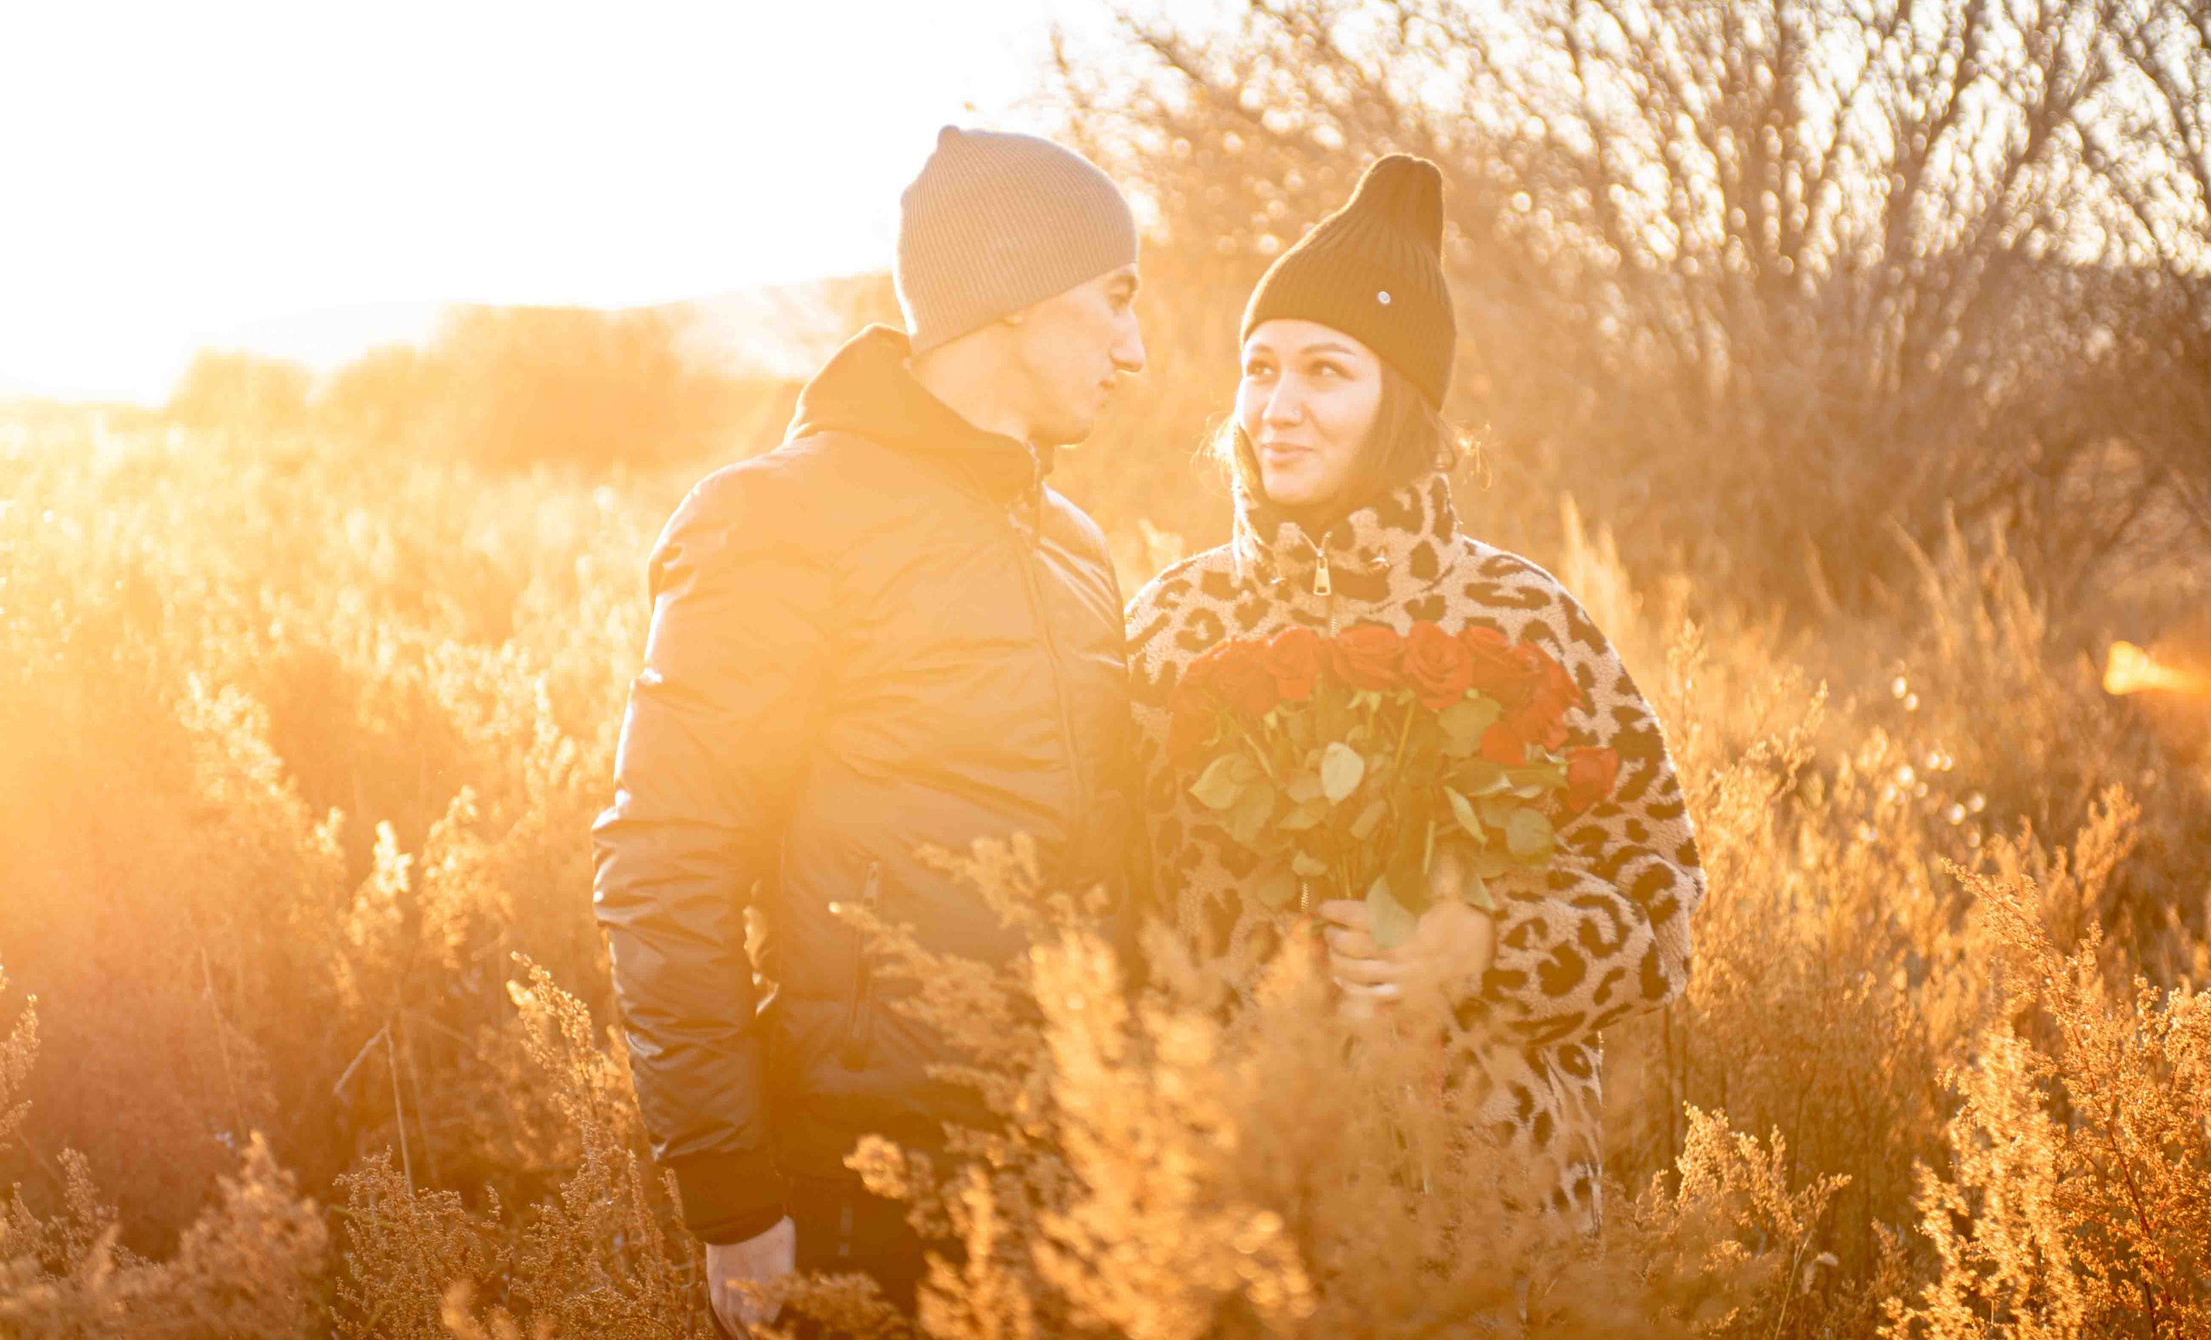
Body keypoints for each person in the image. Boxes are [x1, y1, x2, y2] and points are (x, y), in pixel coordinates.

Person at [593, 126, 1148, 1336]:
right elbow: (666, 863)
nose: (1134, 347)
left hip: (1067, 1168)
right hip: (859, 1187)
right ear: (1013, 293)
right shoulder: (779, 516)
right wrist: (731, 1195)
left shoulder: (1077, 544)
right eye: (1114, 298)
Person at [1122, 153, 1703, 1221]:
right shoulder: (1170, 621)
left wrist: (1486, 945)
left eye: (1325, 371)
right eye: (1259, 367)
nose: (1278, 407)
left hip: (1493, 1198)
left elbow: (1659, 903)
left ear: (1403, 395)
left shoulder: (1522, 615)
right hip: (1241, 1192)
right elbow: (1104, 906)